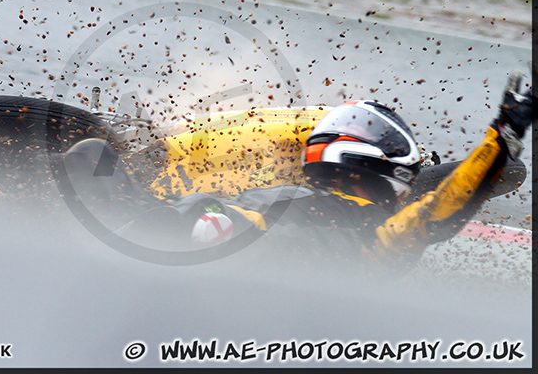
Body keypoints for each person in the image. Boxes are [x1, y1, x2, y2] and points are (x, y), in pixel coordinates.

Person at [61, 71, 533, 269]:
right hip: (192, 249)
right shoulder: (295, 198)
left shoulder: (384, 233)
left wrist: (501, 136)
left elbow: (444, 204)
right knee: (93, 162)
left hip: (213, 275)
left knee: (91, 160)